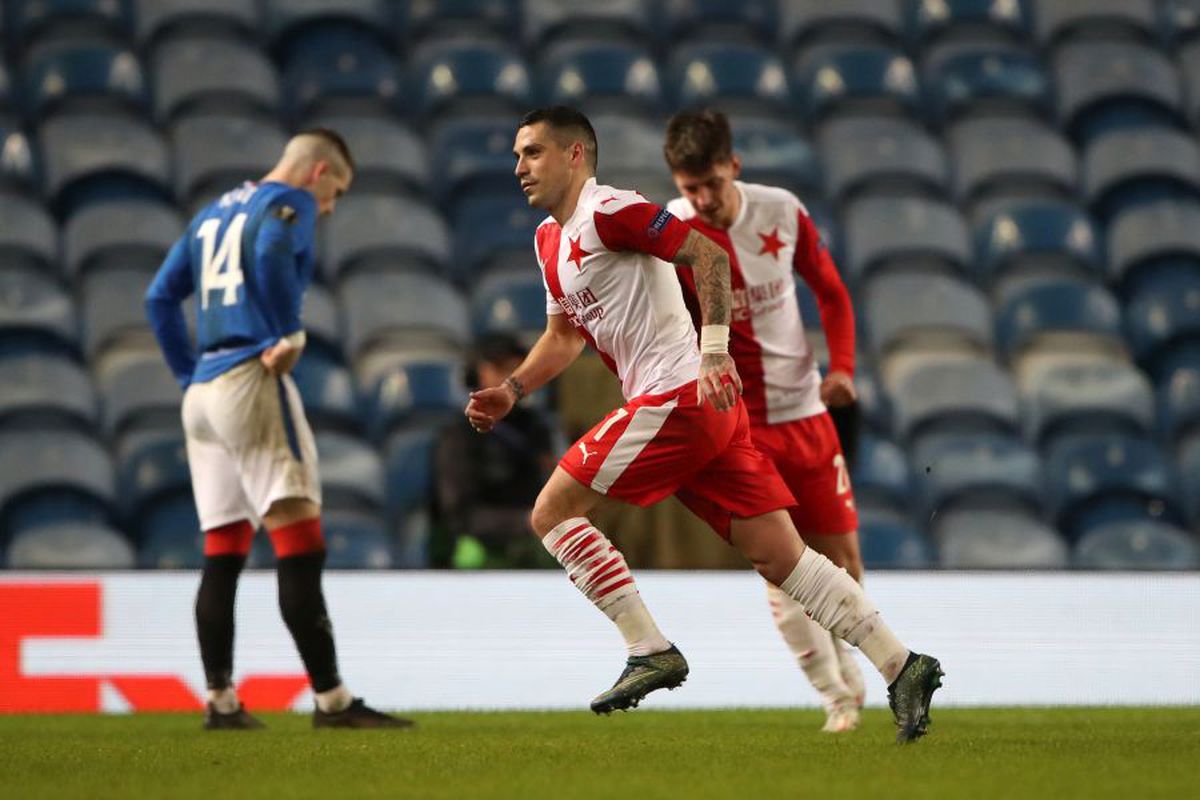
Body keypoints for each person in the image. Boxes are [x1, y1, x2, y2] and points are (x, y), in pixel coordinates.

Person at [466, 106, 942, 743]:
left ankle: (649, 648)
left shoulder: (611, 210)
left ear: (575, 154)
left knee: (551, 512)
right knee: (782, 558)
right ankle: (903, 666)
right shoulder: (547, 242)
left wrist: (715, 350)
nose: (519, 167)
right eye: (517, 155)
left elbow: (709, 257)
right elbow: (563, 337)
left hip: (678, 396)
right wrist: (513, 389)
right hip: (698, 411)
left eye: (533, 152)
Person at [145, 129, 408, 730]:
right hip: (250, 380)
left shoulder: (212, 213)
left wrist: (188, 374)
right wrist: (287, 332)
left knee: (223, 551)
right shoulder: (288, 203)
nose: (330, 207)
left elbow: (159, 298)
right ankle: (333, 701)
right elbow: (270, 252)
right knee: (299, 540)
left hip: (203, 393)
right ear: (318, 172)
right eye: (336, 192)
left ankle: (220, 700)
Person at [663, 109, 867, 732]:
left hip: (804, 412)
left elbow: (831, 291)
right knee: (779, 567)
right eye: (690, 187)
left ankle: (849, 661)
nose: (703, 199)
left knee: (844, 561)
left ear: (734, 166)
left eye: (712, 184)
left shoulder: (780, 210)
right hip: (738, 428)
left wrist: (843, 368)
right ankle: (834, 697)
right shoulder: (670, 231)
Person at [434, 333, 559, 568]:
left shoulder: (535, 427)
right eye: (501, 368)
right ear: (477, 373)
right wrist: (524, 521)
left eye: (517, 369)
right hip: (479, 542)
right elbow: (460, 515)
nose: (510, 378)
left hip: (533, 536)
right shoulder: (458, 434)